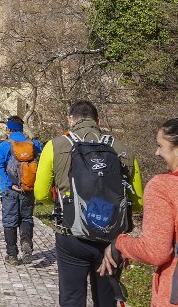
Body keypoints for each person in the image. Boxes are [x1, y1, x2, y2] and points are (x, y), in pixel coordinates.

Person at [99, 117, 178, 306]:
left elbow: (155, 251)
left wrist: (119, 244)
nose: (156, 152)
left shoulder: (164, 186)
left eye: (160, 145)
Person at [34, 100, 144, 306]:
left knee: (72, 297)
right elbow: (138, 202)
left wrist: (63, 202)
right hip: (111, 239)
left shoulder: (55, 146)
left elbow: (40, 194)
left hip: (72, 234)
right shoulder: (122, 149)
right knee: (106, 299)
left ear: (70, 120)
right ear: (98, 121)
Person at [0, 115, 42, 265]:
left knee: (10, 220)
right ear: (22, 128)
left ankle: (12, 255)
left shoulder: (4, 145)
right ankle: (26, 246)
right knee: (26, 218)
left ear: (8, 129)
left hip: (10, 190)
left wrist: (9, 183)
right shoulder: (33, 144)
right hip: (28, 189)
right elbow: (41, 157)